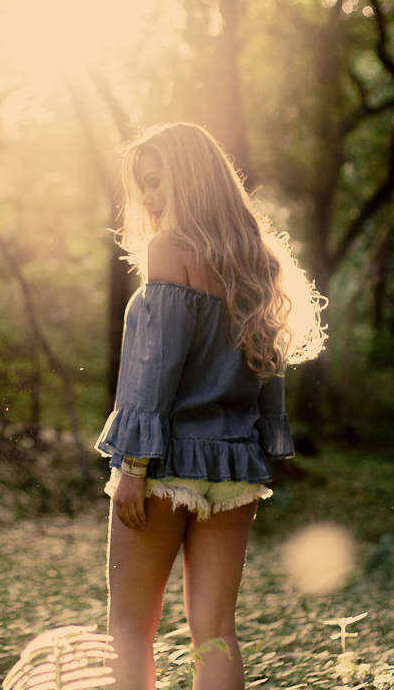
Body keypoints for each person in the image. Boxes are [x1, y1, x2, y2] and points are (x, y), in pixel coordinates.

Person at [95, 122, 327, 690]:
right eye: (142, 186)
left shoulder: (169, 250)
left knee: (129, 626)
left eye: (156, 182)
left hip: (163, 462)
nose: (148, 198)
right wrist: (261, 442)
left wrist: (131, 467)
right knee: (216, 631)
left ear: (191, 181)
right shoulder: (259, 263)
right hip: (233, 466)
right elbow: (267, 374)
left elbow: (155, 370)